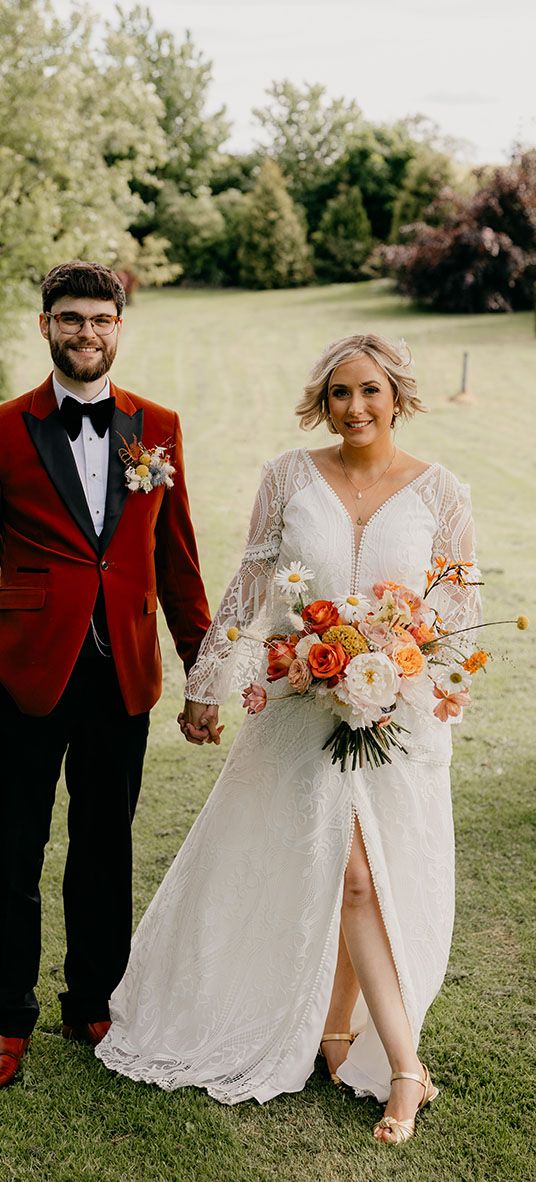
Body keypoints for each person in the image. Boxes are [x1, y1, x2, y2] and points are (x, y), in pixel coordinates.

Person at [96, 333, 481, 1146]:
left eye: (370, 391)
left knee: (366, 878)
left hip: (397, 715)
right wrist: (207, 685)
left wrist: (411, 670)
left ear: (397, 395)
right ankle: (397, 1066)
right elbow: (248, 587)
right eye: (340, 393)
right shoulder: (287, 476)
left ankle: (359, 1044)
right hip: (301, 704)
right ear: (323, 400)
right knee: (344, 874)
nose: (355, 408)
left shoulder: (443, 491)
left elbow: (454, 609)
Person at [0, 259, 216, 1088]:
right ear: (45, 325)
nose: (85, 333)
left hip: (122, 672)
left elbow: (178, 556)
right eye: (69, 319)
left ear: (119, 327)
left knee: (105, 844)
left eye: (100, 319)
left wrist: (202, 666)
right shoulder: (7, 427)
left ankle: (94, 996)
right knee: (13, 847)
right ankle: (7, 1013)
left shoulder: (155, 426)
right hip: (22, 673)